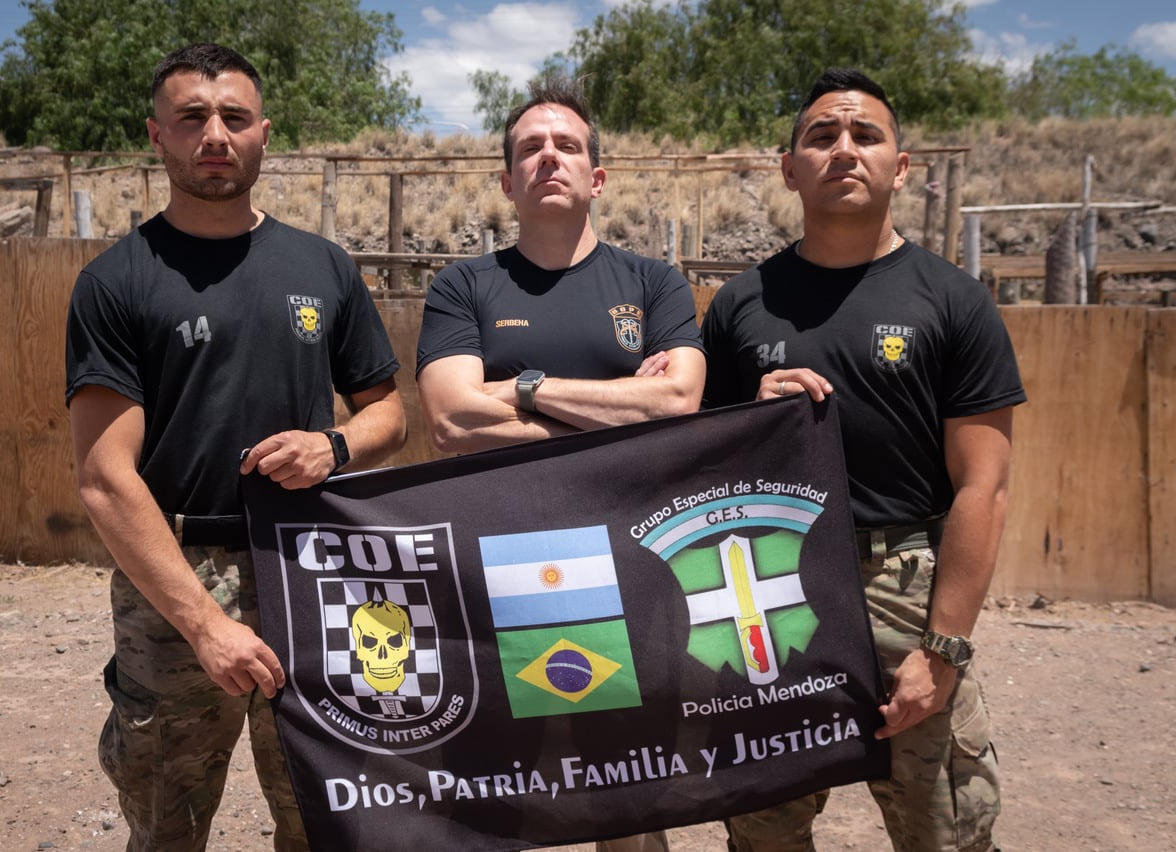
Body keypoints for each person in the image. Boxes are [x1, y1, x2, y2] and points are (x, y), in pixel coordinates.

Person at [65, 43, 406, 851]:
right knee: (166, 822)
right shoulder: (117, 282)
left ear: (263, 133)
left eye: (233, 117)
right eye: (192, 118)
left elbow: (389, 412)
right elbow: (107, 480)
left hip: (310, 568)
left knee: (325, 813)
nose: (214, 134)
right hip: (179, 578)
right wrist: (205, 625)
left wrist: (336, 445)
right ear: (158, 135)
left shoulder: (323, 266)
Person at [701, 68, 1025, 852]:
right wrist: (750, 415)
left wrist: (943, 651)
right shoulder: (741, 305)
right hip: (771, 591)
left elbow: (984, 485)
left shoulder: (952, 301)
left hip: (904, 591)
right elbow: (700, 470)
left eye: (865, 135)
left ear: (900, 166)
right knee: (763, 832)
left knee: (946, 832)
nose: (844, 149)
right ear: (789, 168)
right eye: (821, 136)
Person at [415, 79, 705, 852]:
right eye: (529, 149)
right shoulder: (464, 286)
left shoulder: (654, 284)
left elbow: (678, 403)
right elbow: (449, 417)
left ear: (596, 177)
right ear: (507, 181)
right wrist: (612, 415)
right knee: (495, 792)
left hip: (632, 567)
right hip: (497, 568)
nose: (549, 157)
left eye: (567, 145)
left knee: (629, 797)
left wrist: (525, 388)